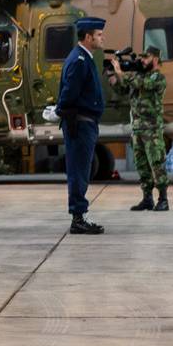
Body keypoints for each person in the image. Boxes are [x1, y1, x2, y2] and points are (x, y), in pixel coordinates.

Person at [57, 16, 108, 235]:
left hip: (86, 123)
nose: (101, 37)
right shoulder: (78, 60)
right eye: (98, 35)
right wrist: (61, 109)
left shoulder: (84, 58)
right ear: (88, 37)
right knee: (79, 171)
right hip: (80, 124)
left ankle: (80, 213)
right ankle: (78, 217)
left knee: (82, 170)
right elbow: (69, 92)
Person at [123, 50, 170, 212]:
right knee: (141, 164)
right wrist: (113, 75)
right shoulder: (139, 76)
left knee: (156, 163)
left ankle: (163, 199)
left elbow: (142, 84)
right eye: (141, 57)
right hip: (137, 128)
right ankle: (147, 198)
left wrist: (122, 72)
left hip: (152, 129)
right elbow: (123, 88)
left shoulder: (157, 78)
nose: (142, 60)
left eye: (146, 57)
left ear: (155, 59)